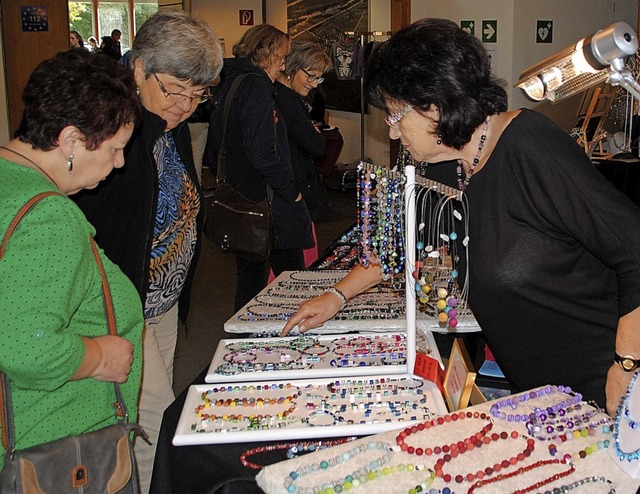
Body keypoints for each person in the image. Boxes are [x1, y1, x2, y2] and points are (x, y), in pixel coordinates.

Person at [282, 18, 640, 417]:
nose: (395, 134)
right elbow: (402, 243)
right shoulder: (445, 162)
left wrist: (626, 365)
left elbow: (634, 249)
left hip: (605, 379)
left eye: (395, 117)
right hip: (539, 391)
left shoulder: (529, 147)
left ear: (434, 106)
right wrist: (336, 296)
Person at [74, 11, 223, 493]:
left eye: (197, 94)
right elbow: (94, 229)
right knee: (157, 421)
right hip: (126, 305)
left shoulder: (167, 121)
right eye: (175, 89)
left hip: (164, 302)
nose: (185, 104)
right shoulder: (109, 131)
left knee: (144, 416)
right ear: (137, 69)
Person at [0, 50, 142, 469]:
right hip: (50, 445)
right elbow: (26, 347)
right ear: (70, 141)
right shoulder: (47, 214)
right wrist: (100, 356)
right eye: (115, 149)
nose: (119, 163)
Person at [209, 24, 314, 312]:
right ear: (265, 52)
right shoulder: (255, 86)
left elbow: (216, 146)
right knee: (290, 282)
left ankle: (247, 341)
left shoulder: (233, 82)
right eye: (281, 55)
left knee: (255, 280)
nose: (284, 62)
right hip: (267, 202)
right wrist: (291, 190)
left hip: (245, 195)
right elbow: (262, 152)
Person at [275, 40, 332, 227]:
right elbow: (316, 145)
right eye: (311, 76)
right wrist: (313, 133)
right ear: (293, 67)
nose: (314, 84)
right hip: (292, 187)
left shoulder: (282, 95)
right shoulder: (287, 100)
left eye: (319, 78)